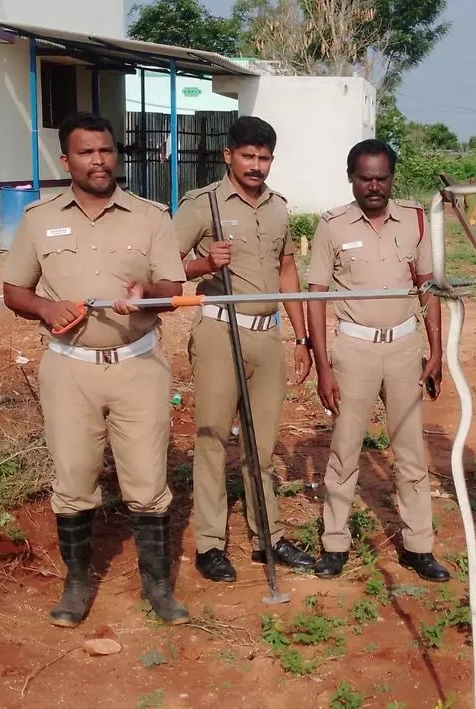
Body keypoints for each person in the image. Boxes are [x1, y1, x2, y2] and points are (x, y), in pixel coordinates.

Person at [2, 112, 190, 627]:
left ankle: (157, 586)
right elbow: (13, 291)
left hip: (138, 367)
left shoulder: (150, 216)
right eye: (86, 152)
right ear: (66, 160)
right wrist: (45, 309)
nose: (99, 160)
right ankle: (77, 583)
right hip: (69, 370)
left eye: (106, 150)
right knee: (74, 477)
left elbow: (172, 288)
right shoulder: (40, 218)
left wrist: (145, 294)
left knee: (148, 481)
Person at [173, 116, 314, 583]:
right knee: (213, 438)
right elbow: (165, 267)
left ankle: (267, 536)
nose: (257, 166)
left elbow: (288, 268)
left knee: (263, 444)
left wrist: (302, 336)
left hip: (266, 336)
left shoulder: (278, 208)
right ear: (228, 155)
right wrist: (203, 262)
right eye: (248, 156)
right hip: (219, 330)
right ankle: (211, 544)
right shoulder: (202, 204)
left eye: (265, 157)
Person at [306, 139, 450, 582]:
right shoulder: (331, 226)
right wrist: (323, 366)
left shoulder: (415, 221)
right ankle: (334, 542)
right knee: (346, 450)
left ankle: (418, 545)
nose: (374, 186)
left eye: (382, 178)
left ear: (392, 178)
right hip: (354, 350)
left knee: (409, 451)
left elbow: (428, 287)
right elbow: (314, 298)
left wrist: (437, 349)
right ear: (351, 177)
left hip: (406, 349)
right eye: (365, 178)